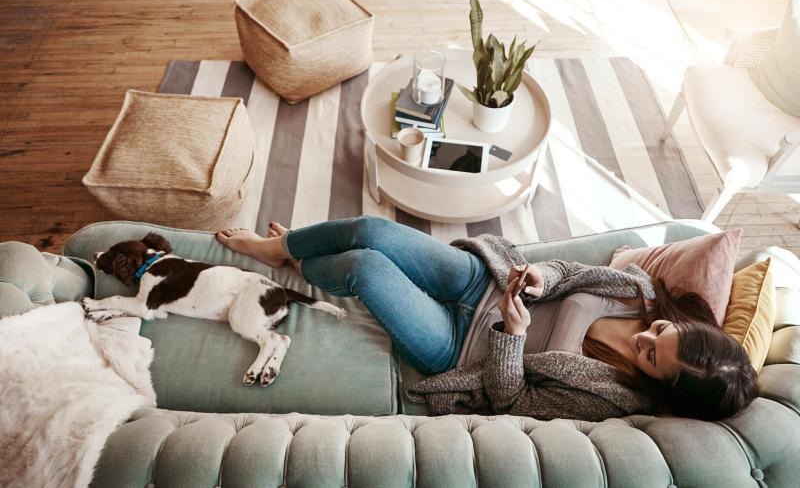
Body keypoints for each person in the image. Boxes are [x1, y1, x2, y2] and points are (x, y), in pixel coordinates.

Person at [216, 216, 758, 421]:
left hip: (460, 346)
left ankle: (301, 263)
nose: (645, 336)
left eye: (650, 357)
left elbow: (513, 401)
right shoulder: (641, 292)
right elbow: (570, 272)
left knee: (364, 267)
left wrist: (513, 336)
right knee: (372, 231)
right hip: (482, 283)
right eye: (663, 332)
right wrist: (544, 277)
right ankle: (279, 248)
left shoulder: (613, 398)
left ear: (660, 387)